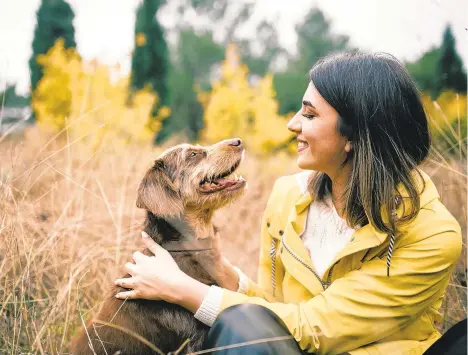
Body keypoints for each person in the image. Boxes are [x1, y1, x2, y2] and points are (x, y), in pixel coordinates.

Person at [114, 52, 464, 354]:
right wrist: (225, 274)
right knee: (244, 322)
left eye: (309, 115)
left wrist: (185, 291)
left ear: (355, 135)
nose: (291, 124)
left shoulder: (432, 235)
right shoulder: (288, 197)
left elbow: (313, 326)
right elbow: (272, 310)